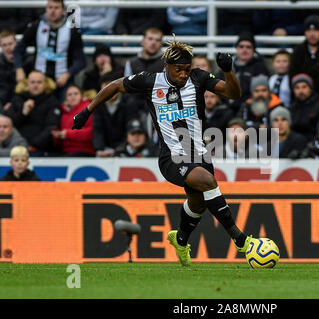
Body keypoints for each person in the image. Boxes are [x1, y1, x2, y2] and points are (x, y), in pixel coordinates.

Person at [71, 36, 253, 267]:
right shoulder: (149, 81)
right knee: (207, 182)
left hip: (199, 154)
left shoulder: (198, 77)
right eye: (179, 70)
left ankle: (180, 239)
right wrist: (88, 111)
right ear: (166, 66)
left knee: (197, 204)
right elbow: (115, 85)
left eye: (187, 70)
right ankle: (240, 240)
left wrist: (228, 71)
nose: (184, 74)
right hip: (172, 157)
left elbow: (233, 93)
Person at [13, 0, 86, 93]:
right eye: (50, 7)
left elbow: (81, 60)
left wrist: (68, 74)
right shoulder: (37, 25)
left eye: (56, 8)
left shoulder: (72, 29)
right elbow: (18, 49)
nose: (53, 11)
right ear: (46, 9)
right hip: (39, 80)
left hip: (63, 80)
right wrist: (19, 68)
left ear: (63, 10)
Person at [5, 70, 60, 155]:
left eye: (39, 82)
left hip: (41, 149)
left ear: (45, 84)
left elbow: (51, 127)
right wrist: (23, 113)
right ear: (27, 84)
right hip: (17, 148)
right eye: (32, 82)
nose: (35, 85)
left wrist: (33, 145)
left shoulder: (52, 102)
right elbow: (9, 124)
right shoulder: (17, 100)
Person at [92, 72, 138, 157]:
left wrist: (119, 150)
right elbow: (98, 130)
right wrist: (99, 149)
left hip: (126, 149)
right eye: (106, 85)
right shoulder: (97, 104)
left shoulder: (129, 102)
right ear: (101, 88)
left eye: (113, 85)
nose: (111, 89)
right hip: (105, 149)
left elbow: (130, 128)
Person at [231, 31, 269, 112]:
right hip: (228, 108)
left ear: (254, 50)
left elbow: (261, 92)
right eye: (241, 46)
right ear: (236, 48)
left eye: (248, 47)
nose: (244, 50)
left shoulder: (260, 67)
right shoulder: (227, 65)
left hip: (250, 108)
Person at [52, 85, 95, 156]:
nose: (73, 96)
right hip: (66, 151)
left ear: (81, 96)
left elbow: (91, 132)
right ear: (66, 98)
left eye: (76, 94)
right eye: (69, 94)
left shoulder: (88, 109)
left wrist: (67, 134)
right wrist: (57, 136)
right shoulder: (63, 113)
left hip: (85, 151)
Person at [289, 73, 319, 142]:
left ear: (310, 88)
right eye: (297, 88)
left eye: (304, 87)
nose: (301, 91)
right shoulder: (292, 107)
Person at [0, 30, 20, 110]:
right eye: (4, 45)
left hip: (20, 101)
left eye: (10, 44)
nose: (8, 48)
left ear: (16, 43)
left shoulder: (27, 61)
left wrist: (13, 102)